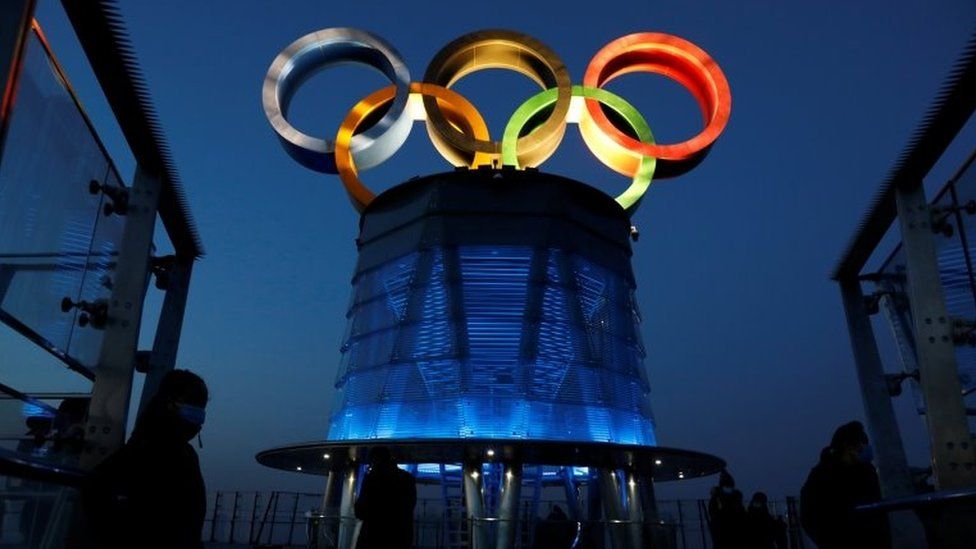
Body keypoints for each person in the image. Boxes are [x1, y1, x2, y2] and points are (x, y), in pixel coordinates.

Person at [75, 369, 209, 549]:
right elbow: (96, 489)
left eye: (200, 414)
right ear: (168, 404)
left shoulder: (184, 453)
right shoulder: (146, 451)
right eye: (192, 411)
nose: (197, 422)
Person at [800, 421, 891, 549]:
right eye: (862, 443)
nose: (865, 447)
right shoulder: (822, 476)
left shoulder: (867, 471)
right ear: (848, 445)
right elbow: (809, 516)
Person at [354, 446, 417, 549]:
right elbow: (409, 507)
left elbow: (360, 510)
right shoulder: (407, 479)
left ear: (375, 460)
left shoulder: (372, 478)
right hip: (399, 537)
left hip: (373, 536)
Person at [707, 469, 746, 548]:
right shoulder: (717, 499)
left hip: (734, 536)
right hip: (724, 536)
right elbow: (712, 513)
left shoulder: (736, 499)